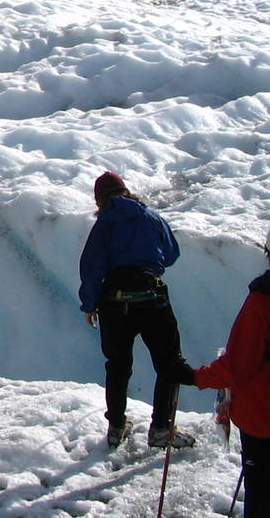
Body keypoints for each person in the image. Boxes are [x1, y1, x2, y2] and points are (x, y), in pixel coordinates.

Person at [78, 171, 191, 449]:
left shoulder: (104, 223)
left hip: (114, 302)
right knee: (168, 363)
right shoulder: (150, 217)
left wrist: (90, 304)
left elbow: (91, 267)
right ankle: (162, 428)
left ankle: (116, 427)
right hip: (152, 296)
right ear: (125, 190)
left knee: (117, 366)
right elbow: (172, 253)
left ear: (99, 199)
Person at [170, 228, 270, 517]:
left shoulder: (263, 301)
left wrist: (193, 376)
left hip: (263, 419)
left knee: (262, 496)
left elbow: (239, 364)